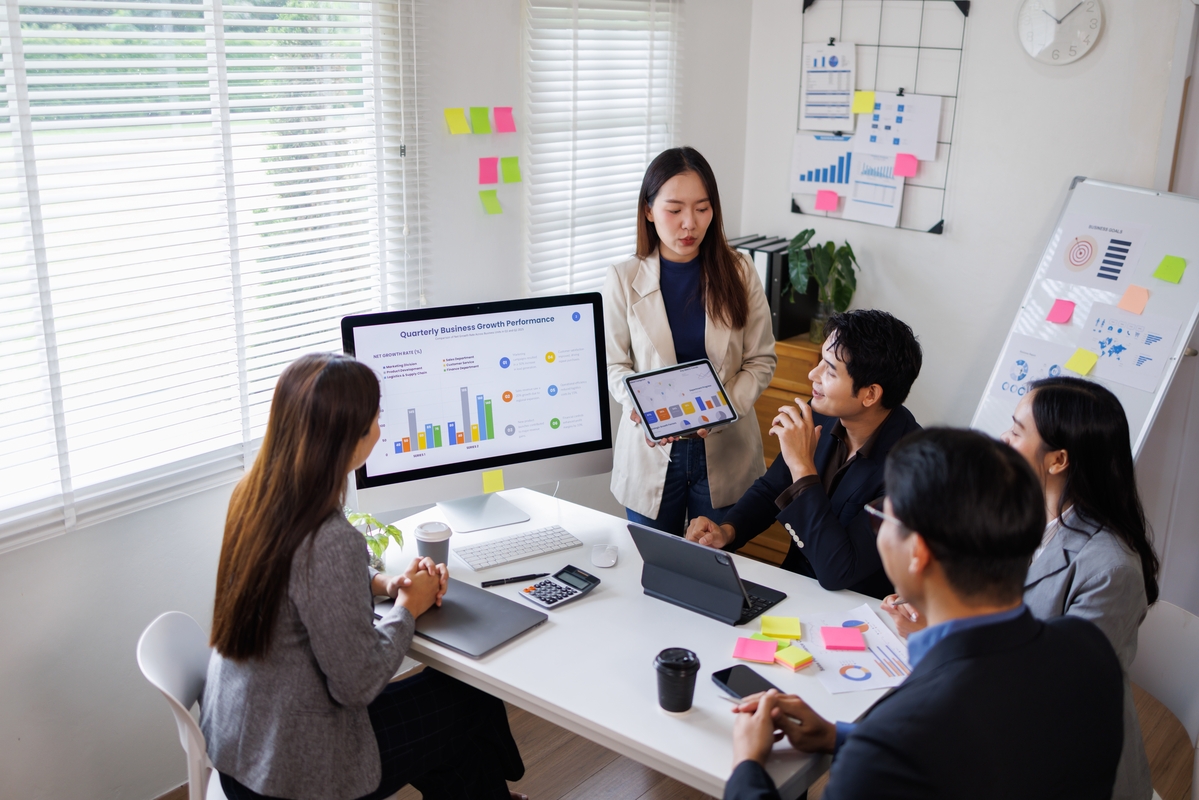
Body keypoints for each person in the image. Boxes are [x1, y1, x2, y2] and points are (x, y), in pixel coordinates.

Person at [724, 428, 1125, 800]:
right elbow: (985, 761)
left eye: (881, 517)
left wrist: (747, 766)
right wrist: (839, 736)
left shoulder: (894, 739)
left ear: (918, 553)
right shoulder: (1088, 647)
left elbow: (916, 750)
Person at [200, 354, 525, 800]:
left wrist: (384, 584)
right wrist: (408, 608)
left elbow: (298, 581)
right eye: (375, 420)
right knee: (471, 700)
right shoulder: (328, 538)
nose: (380, 430)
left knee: (454, 736)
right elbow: (357, 684)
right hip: (295, 772)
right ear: (347, 440)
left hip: (244, 745)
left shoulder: (254, 495)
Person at [880, 377, 1158, 800]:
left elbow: (1048, 691)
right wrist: (933, 615)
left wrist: (939, 639)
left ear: (1058, 459)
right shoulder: (1018, 518)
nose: (1002, 439)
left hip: (1061, 767)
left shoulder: (1110, 569)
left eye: (1016, 431)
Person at [686, 309, 921, 598]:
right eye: (821, 360)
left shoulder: (915, 472)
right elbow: (772, 488)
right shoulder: (822, 412)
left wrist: (802, 468)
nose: (814, 374)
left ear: (870, 394)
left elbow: (840, 572)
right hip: (796, 589)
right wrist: (727, 531)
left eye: (830, 370)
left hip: (859, 610)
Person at [604, 146, 776, 535]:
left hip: (725, 446)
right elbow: (614, 364)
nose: (689, 224)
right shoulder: (621, 277)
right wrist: (642, 407)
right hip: (653, 450)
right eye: (675, 209)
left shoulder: (739, 270)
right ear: (648, 210)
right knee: (654, 563)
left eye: (702, 208)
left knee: (716, 568)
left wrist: (717, 409)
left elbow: (761, 359)